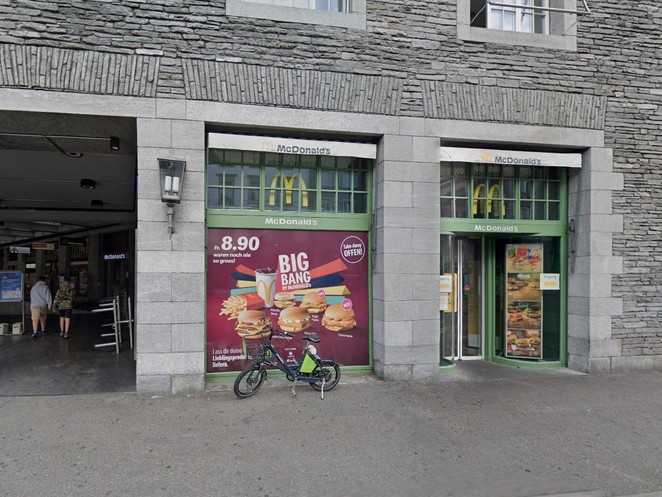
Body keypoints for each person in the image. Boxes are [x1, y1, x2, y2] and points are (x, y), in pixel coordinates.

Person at [29, 275, 52, 340]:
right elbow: (48, 296)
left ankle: (35, 332)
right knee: (43, 318)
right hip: (43, 305)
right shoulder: (46, 287)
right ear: (44, 280)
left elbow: (31, 296)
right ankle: (43, 329)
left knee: (35, 318)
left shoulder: (34, 287)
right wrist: (49, 304)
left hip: (34, 305)